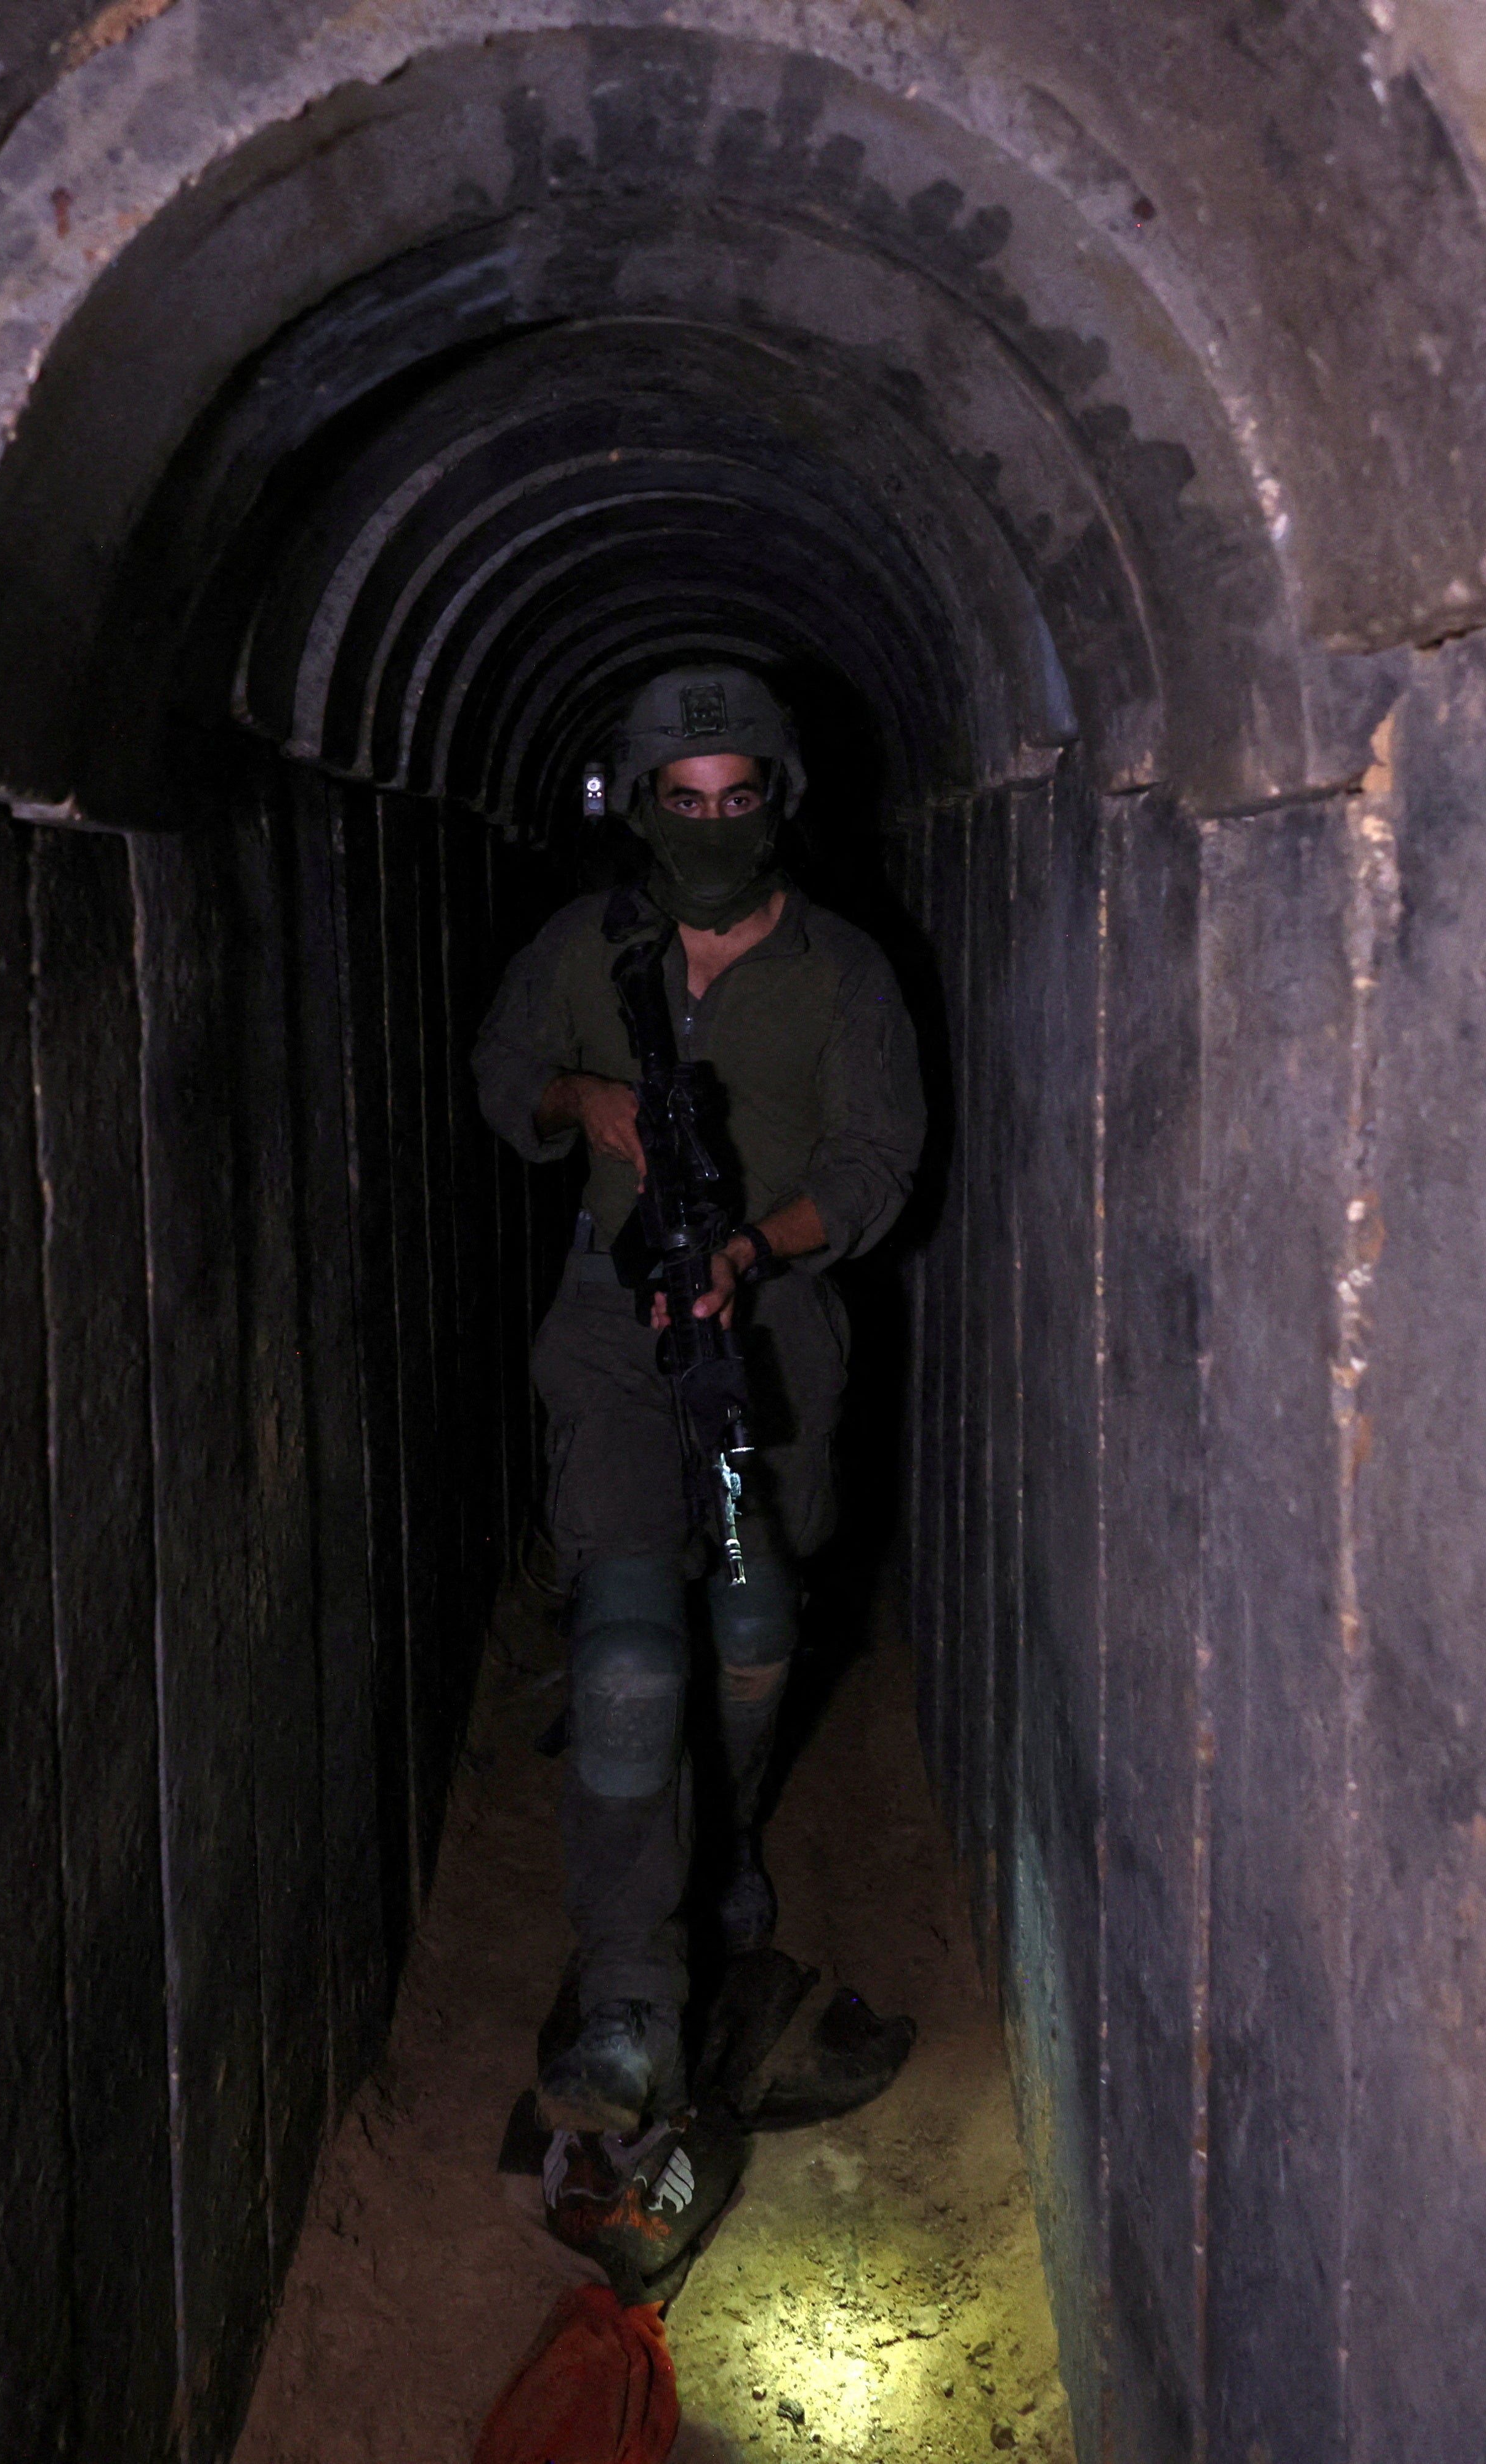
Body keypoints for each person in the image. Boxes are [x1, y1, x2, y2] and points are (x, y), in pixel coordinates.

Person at [471, 663, 928, 2135]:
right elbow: (499, 1070)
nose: (713, 824)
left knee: (750, 1623)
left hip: (771, 1335)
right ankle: (627, 1992)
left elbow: (875, 1164)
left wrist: (755, 1245)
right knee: (624, 1651)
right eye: (686, 800)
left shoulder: (846, 974)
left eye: (738, 799)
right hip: (614, 1328)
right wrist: (578, 1104)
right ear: (644, 805)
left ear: (776, 801)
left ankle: (725, 1845)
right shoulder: (585, 950)